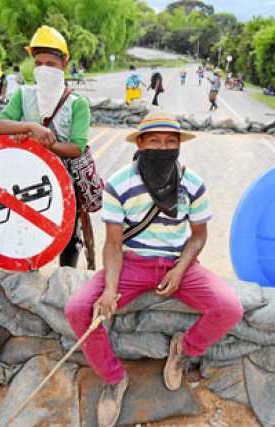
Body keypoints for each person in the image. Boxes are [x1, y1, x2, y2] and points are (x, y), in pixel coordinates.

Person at [64, 112, 243, 427]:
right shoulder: (119, 184)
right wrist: (108, 291)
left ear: (178, 146)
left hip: (178, 263)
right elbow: (113, 244)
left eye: (170, 142)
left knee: (230, 308)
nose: (163, 147)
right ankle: (114, 378)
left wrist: (180, 269)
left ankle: (183, 349)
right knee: (78, 309)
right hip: (132, 263)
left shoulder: (193, 183)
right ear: (141, 144)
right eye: (155, 141)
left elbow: (199, 237)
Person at [0, 25, 92, 268]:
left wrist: (46, 145)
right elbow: (0, 126)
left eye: (51, 63)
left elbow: (77, 147)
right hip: (26, 180)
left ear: (64, 63)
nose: (44, 69)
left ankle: (66, 277)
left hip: (64, 181)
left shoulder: (77, 104)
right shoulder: (23, 95)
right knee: (26, 229)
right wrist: (30, 127)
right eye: (39, 63)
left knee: (69, 234)